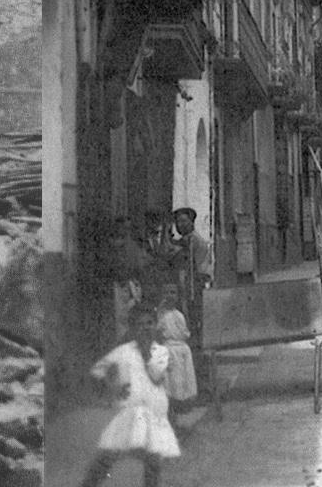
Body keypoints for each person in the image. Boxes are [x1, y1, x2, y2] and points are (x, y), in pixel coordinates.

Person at [79, 303, 179, 487]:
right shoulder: (123, 352)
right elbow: (97, 372)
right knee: (106, 456)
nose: (145, 328)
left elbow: (156, 377)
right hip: (129, 413)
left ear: (155, 325)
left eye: (149, 323)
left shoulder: (162, 352)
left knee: (153, 463)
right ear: (132, 328)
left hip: (154, 416)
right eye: (140, 324)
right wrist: (112, 388)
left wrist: (146, 352)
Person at [171, 207, 213, 345]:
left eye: (184, 221)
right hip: (188, 285)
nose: (180, 225)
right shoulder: (184, 240)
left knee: (192, 317)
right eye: (177, 222)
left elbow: (197, 268)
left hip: (193, 286)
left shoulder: (193, 241)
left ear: (192, 222)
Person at [155, 282, 197, 413]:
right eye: (166, 293)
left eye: (173, 292)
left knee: (182, 380)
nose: (169, 296)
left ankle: (180, 407)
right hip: (168, 348)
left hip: (181, 349)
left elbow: (185, 332)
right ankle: (171, 408)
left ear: (178, 296)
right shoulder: (160, 314)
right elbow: (158, 330)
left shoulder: (180, 314)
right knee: (170, 382)